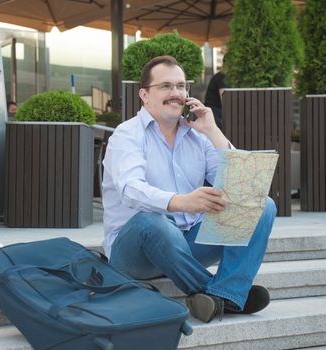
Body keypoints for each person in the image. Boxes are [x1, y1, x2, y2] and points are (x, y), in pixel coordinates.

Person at [101, 55, 276, 323]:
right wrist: (182, 202)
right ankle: (224, 293)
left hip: (186, 246)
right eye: (166, 86)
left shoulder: (197, 135)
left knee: (262, 205)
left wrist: (214, 131)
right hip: (135, 253)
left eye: (181, 86)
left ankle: (223, 296)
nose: (176, 94)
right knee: (153, 222)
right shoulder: (126, 135)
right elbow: (130, 190)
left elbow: (242, 185)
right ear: (144, 95)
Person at [204, 57, 228, 130]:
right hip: (215, 113)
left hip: (213, 112)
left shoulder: (220, 76)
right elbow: (225, 100)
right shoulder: (222, 77)